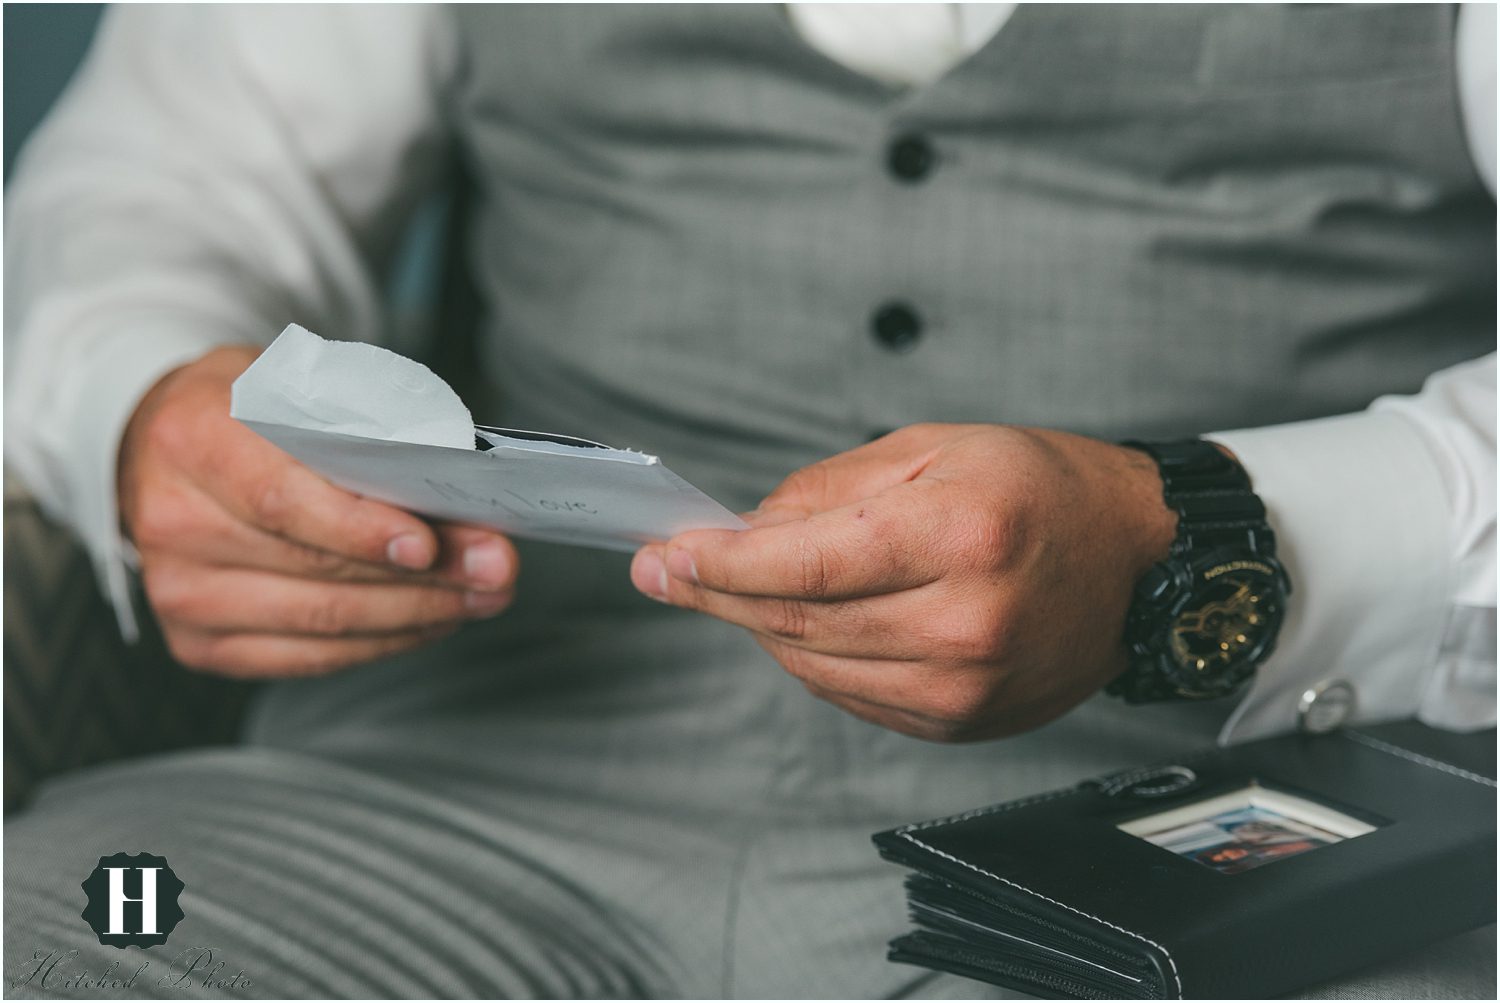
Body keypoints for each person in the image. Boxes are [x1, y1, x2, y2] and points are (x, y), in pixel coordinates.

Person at [5, 4, 1494, 997]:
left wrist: (1212, 546)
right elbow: (166, 183)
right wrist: (144, 410)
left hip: (1222, 840)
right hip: (424, 804)